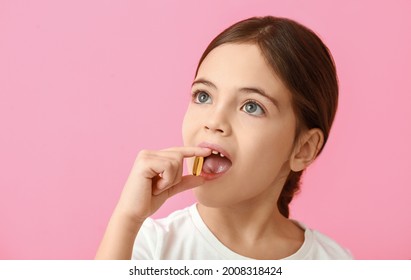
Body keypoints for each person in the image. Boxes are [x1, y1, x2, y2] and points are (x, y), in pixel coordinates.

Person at [95, 16, 352, 260]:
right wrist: (127, 218)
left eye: (252, 106)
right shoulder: (148, 246)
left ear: (303, 149)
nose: (214, 121)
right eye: (203, 96)